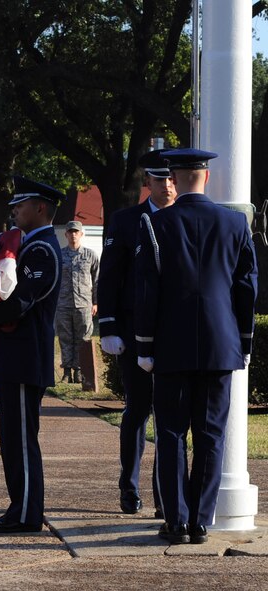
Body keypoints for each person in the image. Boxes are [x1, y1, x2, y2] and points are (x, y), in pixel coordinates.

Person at [135, 148, 257, 545]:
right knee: (210, 434)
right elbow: (246, 287)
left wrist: (145, 344)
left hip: (171, 344)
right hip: (221, 344)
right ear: (205, 177)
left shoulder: (156, 224)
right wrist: (244, 340)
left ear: (173, 179)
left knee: (171, 433)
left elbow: (147, 289)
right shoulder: (236, 223)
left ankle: (177, 519)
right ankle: (201, 520)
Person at [0, 176, 63, 533]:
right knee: (13, 437)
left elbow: (19, 302)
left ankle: (26, 514)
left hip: (25, 355)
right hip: (14, 356)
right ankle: (19, 508)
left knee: (20, 439)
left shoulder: (41, 250)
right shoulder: (27, 246)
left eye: (21, 205)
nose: (15, 210)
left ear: (40, 207)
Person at [98, 148, 176, 516]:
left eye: (173, 178)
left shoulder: (183, 217)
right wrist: (109, 325)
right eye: (161, 179)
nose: (168, 186)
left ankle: (165, 495)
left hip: (172, 332)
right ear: (147, 183)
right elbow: (110, 276)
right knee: (137, 410)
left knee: (171, 416)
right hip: (131, 331)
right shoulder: (126, 220)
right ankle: (129, 487)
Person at [55, 221, 99, 384]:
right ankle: (67, 371)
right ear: (66, 235)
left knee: (83, 338)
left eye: (76, 232)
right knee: (65, 337)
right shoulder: (59, 255)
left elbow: (97, 280)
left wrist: (95, 302)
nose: (73, 234)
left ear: (81, 234)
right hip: (63, 304)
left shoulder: (90, 255)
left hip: (84, 304)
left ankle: (80, 371)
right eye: (70, 232)